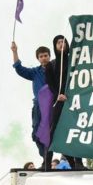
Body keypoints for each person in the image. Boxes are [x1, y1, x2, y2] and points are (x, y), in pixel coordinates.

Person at [11, 41, 51, 158]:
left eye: (45, 55)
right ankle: (45, 158)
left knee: (53, 132)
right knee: (37, 134)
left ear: (49, 56)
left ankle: (68, 159)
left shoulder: (56, 69)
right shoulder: (35, 72)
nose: (44, 58)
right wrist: (15, 51)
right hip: (39, 106)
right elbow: (19, 69)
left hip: (53, 106)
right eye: (41, 56)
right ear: (38, 58)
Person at [43, 34, 76, 171]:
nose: (62, 44)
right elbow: (50, 84)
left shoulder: (74, 62)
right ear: (55, 46)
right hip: (59, 102)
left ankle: (76, 163)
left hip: (73, 102)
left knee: (74, 131)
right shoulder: (51, 65)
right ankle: (47, 163)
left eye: (64, 42)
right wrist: (58, 95)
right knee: (53, 131)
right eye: (58, 42)